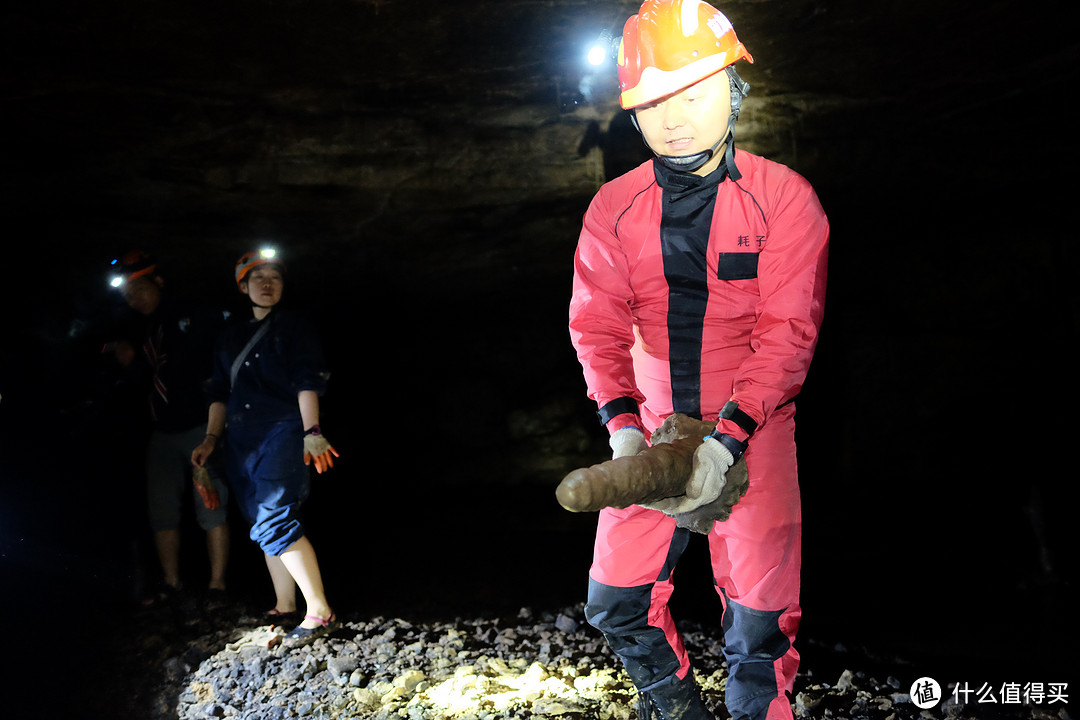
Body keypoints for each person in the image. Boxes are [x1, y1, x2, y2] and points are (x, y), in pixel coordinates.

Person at [568, 2, 829, 719]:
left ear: (732, 91)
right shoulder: (613, 210)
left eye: (692, 92)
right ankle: (673, 703)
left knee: (761, 621)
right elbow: (595, 325)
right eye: (653, 102)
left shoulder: (785, 202)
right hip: (651, 429)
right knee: (614, 601)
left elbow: (788, 334)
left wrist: (729, 436)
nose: (673, 117)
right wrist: (621, 424)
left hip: (754, 429)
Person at [191, 248, 340, 643]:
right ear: (243, 286)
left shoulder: (295, 326)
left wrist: (312, 432)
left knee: (275, 516)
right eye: (258, 278)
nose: (267, 283)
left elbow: (308, 379)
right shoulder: (230, 335)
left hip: (282, 432)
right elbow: (219, 391)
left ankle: (320, 611)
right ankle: (285, 604)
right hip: (242, 439)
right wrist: (210, 439)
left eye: (274, 277)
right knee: (261, 520)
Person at [108, 250, 231, 602]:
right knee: (162, 509)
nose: (134, 299)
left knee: (210, 505)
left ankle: (218, 585)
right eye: (128, 295)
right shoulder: (140, 327)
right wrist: (118, 351)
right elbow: (115, 354)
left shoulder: (190, 312)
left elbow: (223, 341)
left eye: (140, 289)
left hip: (198, 427)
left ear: (159, 282)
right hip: (161, 431)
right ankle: (171, 582)